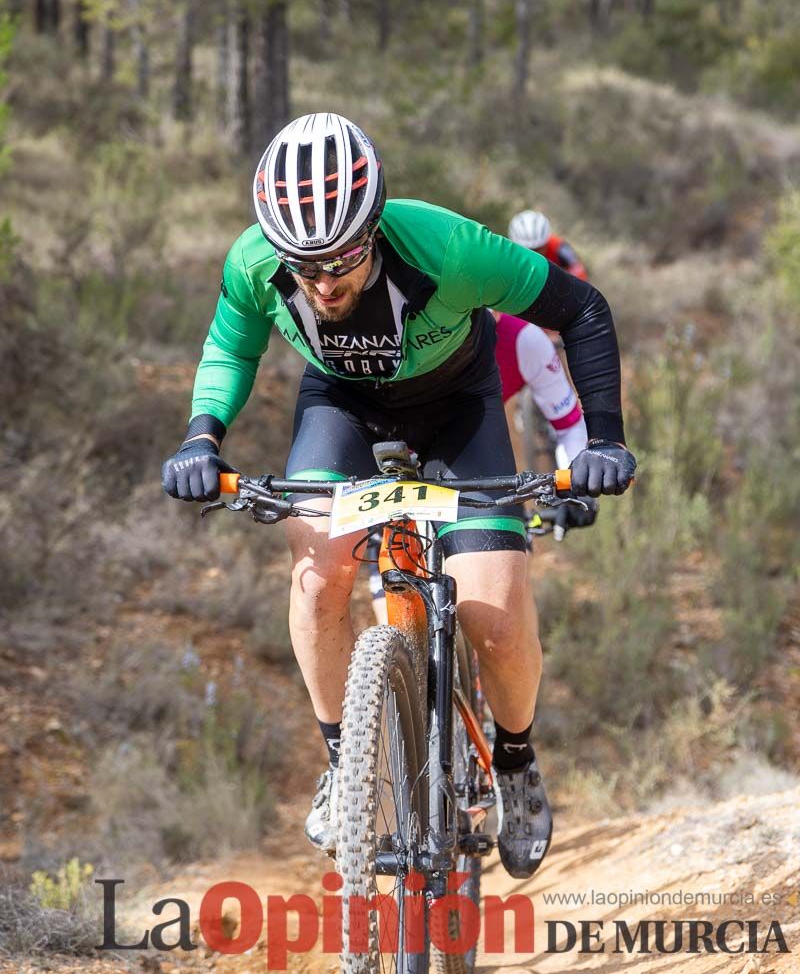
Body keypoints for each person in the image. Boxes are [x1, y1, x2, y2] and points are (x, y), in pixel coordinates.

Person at [161, 112, 636, 880]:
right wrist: (200, 438)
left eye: (343, 256)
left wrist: (605, 439)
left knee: (499, 617)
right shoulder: (253, 263)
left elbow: (581, 310)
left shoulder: (447, 249)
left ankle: (515, 763)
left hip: (459, 407)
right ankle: (345, 763)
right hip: (341, 409)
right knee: (318, 577)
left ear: (375, 225)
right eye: (304, 265)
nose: (323, 282)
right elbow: (230, 344)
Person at [368, 314, 596, 620]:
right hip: (397, 461)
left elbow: (569, 423)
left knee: (507, 613)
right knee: (394, 619)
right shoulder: (402, 329)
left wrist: (574, 486)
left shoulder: (523, 340)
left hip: (475, 458)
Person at [509, 209, 588, 280]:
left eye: (538, 248)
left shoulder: (559, 248)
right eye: (529, 250)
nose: (535, 254)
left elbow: (579, 272)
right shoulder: (509, 255)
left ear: (546, 241)